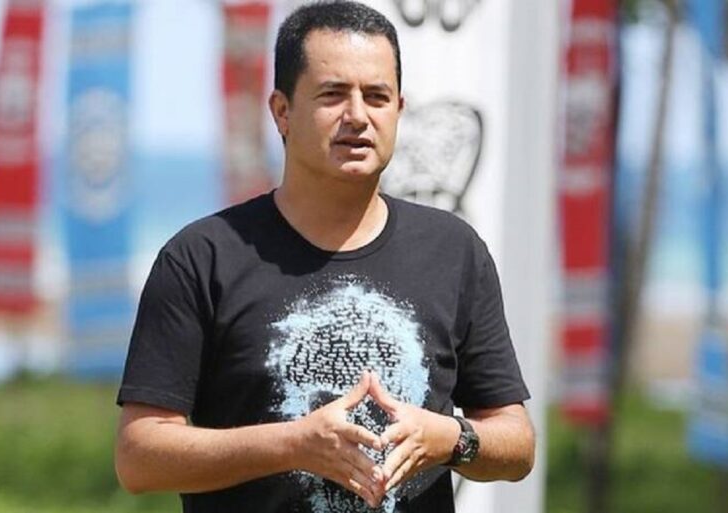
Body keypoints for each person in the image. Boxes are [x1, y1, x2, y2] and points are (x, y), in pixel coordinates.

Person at [114, 1, 535, 511]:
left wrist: (450, 437)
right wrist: (293, 443)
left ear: (399, 110)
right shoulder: (202, 258)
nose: (357, 116)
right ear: (282, 111)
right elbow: (139, 456)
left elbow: (516, 442)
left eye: (376, 96)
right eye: (333, 95)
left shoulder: (454, 251)